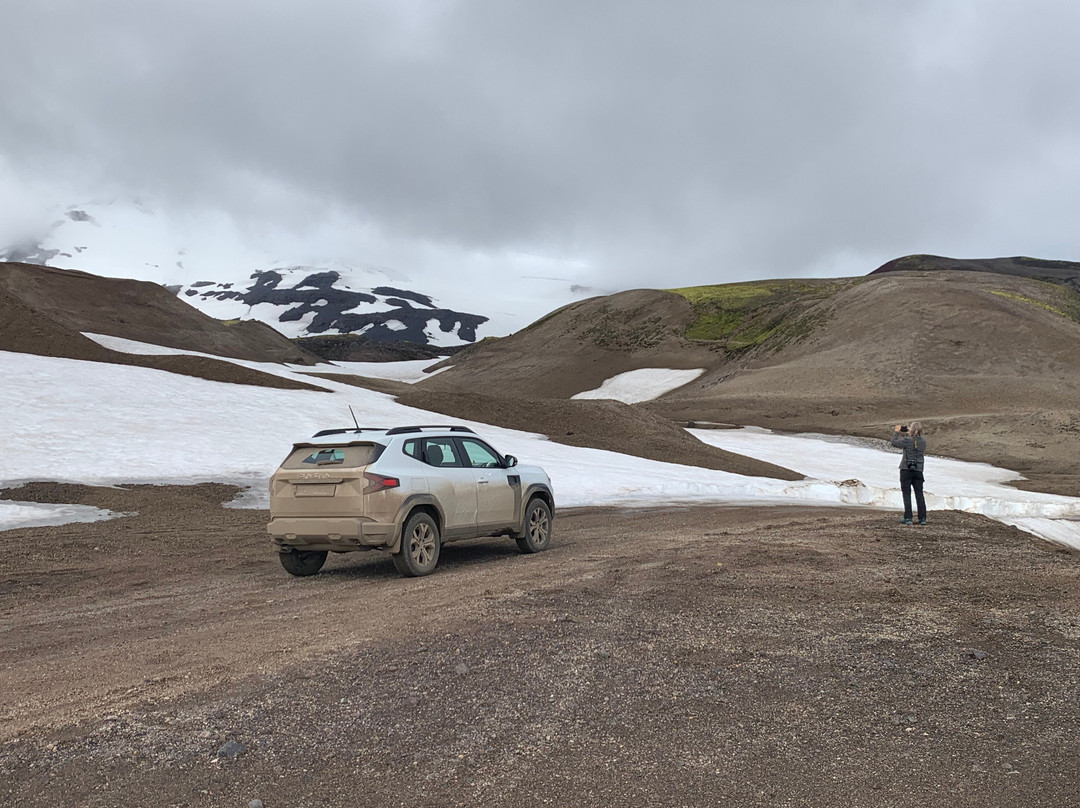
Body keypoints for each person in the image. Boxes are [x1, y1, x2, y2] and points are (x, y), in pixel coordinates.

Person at [891, 422, 927, 525]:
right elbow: (916, 444)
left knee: (906, 494)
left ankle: (908, 517)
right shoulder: (923, 442)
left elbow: (894, 443)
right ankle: (922, 518)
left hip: (906, 469)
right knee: (919, 494)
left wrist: (897, 432)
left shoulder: (907, 440)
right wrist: (911, 432)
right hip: (918, 470)